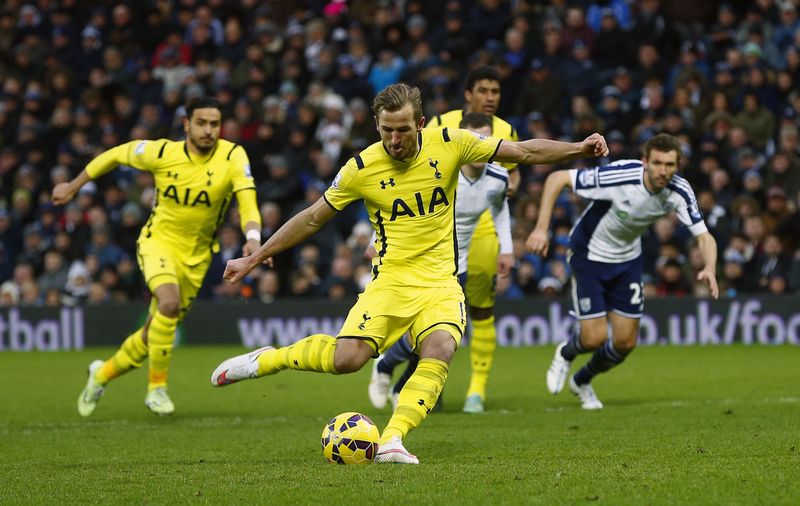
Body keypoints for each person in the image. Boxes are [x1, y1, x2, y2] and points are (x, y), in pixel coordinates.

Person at [211, 83, 607, 464]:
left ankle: (393, 438)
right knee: (348, 359)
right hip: (390, 282)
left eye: (402, 130)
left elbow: (522, 151)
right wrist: (254, 256)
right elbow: (314, 218)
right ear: (376, 125)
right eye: (386, 130)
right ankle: (271, 359)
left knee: (441, 347)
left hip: (440, 282)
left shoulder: (451, 142)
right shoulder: (361, 168)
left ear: (420, 124)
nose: (395, 140)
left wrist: (578, 147)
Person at [52, 96, 262, 417]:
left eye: (215, 124)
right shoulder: (162, 152)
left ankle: (101, 374)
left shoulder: (233, 155)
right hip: (158, 243)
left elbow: (247, 201)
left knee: (153, 334)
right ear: (186, 125)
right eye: (202, 123)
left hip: (198, 257)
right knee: (168, 303)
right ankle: (157, 388)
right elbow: (115, 154)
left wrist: (252, 239)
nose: (209, 130)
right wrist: (73, 185)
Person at [527, 133, 719, 410]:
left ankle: (582, 380)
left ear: (677, 166)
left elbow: (704, 236)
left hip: (628, 260)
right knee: (594, 338)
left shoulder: (679, 190)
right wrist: (540, 228)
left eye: (670, 165)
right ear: (645, 162)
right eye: (657, 163)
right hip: (590, 254)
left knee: (625, 343)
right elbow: (557, 179)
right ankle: (566, 353)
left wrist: (710, 267)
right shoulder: (619, 177)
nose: (663, 171)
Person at [368, 112, 513, 414]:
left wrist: (507, 249)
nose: (482, 145)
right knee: (419, 334)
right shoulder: (442, 169)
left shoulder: (499, 178)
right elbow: (400, 203)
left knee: (438, 339)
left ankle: (396, 382)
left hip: (454, 268)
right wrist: (375, 242)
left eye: (487, 139)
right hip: (419, 261)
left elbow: (500, 210)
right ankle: (387, 365)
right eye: (477, 138)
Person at [421, 65, 519, 411]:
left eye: (495, 92)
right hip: (443, 228)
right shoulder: (440, 122)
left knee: (480, 309)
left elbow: (512, 175)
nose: (490, 98)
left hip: (485, 229)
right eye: (484, 91)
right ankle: (426, 381)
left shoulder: (505, 129)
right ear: (468, 94)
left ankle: (476, 389)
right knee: (431, 311)